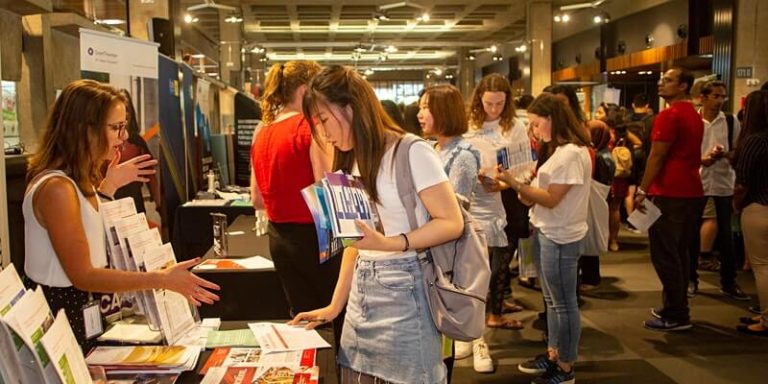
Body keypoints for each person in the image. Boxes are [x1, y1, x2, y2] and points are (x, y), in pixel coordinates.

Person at [290, 65, 463, 383]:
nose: (325, 134)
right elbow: (353, 245)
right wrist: (333, 306)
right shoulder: (349, 158)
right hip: (361, 296)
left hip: (406, 291)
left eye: (325, 121)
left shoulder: (410, 151)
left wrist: (391, 242)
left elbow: (452, 222)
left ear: (350, 108)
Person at [23, 79, 220, 351]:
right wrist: (161, 279)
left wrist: (108, 188)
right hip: (62, 313)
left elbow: (88, 234)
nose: (124, 137)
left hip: (81, 309)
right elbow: (84, 274)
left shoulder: (78, 181)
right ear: (85, 130)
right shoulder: (57, 188)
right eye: (116, 128)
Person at [497, 92, 592, 384]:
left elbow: (551, 199)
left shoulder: (572, 153)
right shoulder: (560, 152)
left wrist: (514, 182)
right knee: (553, 301)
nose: (534, 131)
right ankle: (555, 355)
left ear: (552, 120)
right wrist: (524, 187)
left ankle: (565, 366)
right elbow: (542, 196)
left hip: (561, 236)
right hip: (549, 232)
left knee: (563, 303)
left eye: (537, 124)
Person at [250, 61, 340, 321]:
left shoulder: (263, 131)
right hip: (317, 236)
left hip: (279, 238)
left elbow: (256, 199)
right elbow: (326, 190)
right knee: (329, 314)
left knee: (300, 314)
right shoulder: (311, 127)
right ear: (304, 90)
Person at [418, 85, 486, 374]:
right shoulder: (434, 149)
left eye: (426, 107)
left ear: (443, 111)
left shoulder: (463, 155)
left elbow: (456, 210)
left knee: (446, 318)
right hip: (431, 249)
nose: (420, 114)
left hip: (448, 254)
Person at [463, 74, 528, 367]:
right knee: (475, 264)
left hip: (507, 199)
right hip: (475, 200)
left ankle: (495, 311)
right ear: (479, 100)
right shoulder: (469, 123)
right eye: (488, 103)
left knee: (502, 260)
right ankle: (475, 326)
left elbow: (526, 167)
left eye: (500, 103)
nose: (493, 109)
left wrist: (503, 184)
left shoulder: (515, 126)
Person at [635, 67, 704, 332]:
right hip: (691, 191)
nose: (661, 84)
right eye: (662, 80)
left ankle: (677, 312)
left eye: (669, 80)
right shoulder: (693, 114)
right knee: (681, 253)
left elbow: (657, 156)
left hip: (670, 192)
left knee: (665, 255)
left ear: (684, 86)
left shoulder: (670, 114)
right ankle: (675, 306)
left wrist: (642, 188)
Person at [689, 80, 749, 300]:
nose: (720, 100)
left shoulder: (731, 121)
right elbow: (685, 152)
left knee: (726, 235)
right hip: (697, 180)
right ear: (703, 97)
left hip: (723, 181)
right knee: (691, 233)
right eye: (716, 96)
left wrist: (723, 155)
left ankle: (729, 282)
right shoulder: (693, 120)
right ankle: (690, 279)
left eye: (723, 96)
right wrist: (702, 159)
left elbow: (737, 152)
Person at [733, 89, 768, 336]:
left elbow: (742, 182)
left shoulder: (754, 140)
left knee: (763, 267)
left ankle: (766, 319)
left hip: (759, 207)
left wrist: (736, 204)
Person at [102, 90, 161, 215]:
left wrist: (160, 207)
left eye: (122, 125)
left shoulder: (137, 143)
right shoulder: (62, 186)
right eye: (115, 127)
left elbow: (151, 178)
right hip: (111, 207)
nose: (124, 136)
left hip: (134, 205)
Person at [596, 103, 642, 251]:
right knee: (614, 208)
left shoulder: (602, 130)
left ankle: (604, 239)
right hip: (619, 174)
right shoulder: (621, 132)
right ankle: (613, 240)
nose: (597, 115)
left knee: (602, 208)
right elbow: (638, 143)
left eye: (599, 112)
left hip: (604, 173)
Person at [579, 120, 615, 291]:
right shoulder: (603, 152)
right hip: (598, 199)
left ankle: (590, 277)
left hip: (592, 200)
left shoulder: (596, 155)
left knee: (588, 238)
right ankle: (589, 276)